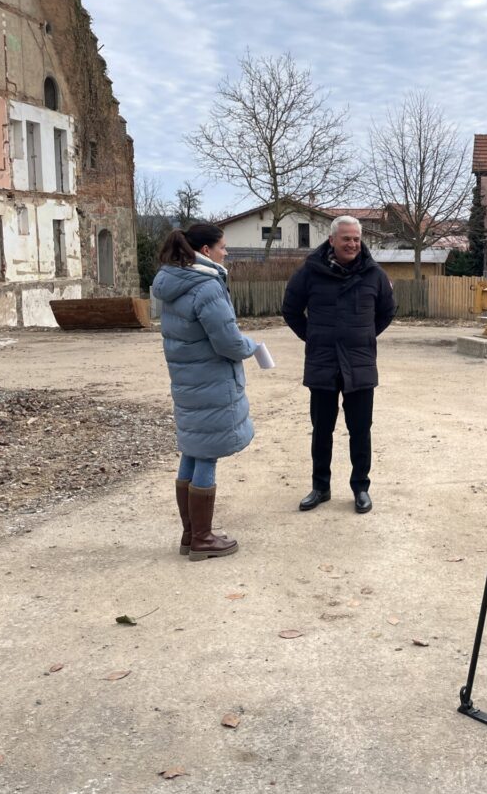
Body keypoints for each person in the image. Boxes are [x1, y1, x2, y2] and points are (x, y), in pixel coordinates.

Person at [151, 223, 257, 560]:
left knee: (193, 451)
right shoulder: (206, 286)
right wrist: (251, 346)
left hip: (187, 381)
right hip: (211, 382)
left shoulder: (173, 282)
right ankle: (203, 538)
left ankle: (189, 534)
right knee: (206, 453)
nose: (226, 252)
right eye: (223, 247)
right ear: (207, 251)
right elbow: (228, 342)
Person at [282, 215, 395, 514]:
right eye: (346, 238)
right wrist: (314, 337)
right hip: (323, 363)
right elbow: (290, 309)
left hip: (360, 365)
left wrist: (364, 336)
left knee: (361, 430)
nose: (352, 243)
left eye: (356, 238)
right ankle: (320, 487)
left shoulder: (374, 274)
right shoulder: (310, 271)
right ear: (332, 240)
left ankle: (361, 488)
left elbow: (387, 311)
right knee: (322, 430)